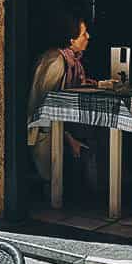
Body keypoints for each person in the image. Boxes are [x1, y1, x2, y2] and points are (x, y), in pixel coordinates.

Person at [27, 13, 97, 184]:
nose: (88, 37)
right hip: (43, 131)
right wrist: (69, 138)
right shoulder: (56, 62)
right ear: (71, 40)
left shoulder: (73, 61)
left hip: (60, 126)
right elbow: (45, 108)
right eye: (83, 34)